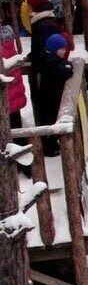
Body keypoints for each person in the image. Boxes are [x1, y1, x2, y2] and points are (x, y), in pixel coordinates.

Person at [34, 33, 73, 157]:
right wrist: (67, 66)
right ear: (53, 49)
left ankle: (52, 144)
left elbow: (66, 65)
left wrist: (67, 65)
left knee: (51, 121)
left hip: (50, 97)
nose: (64, 51)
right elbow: (65, 71)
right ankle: (49, 149)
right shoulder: (50, 61)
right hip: (49, 99)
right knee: (51, 123)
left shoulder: (50, 58)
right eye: (61, 49)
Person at [3, 24, 29, 175]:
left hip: (7, 96)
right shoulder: (7, 38)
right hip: (14, 93)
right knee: (16, 131)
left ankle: (20, 167)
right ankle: (25, 166)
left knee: (10, 134)